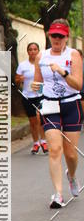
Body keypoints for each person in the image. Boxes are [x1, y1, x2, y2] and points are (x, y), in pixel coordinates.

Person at [32, 19, 83, 208]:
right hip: (50, 106)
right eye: (54, 35)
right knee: (54, 149)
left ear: (66, 37)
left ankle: (71, 175)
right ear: (49, 36)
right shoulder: (41, 57)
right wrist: (36, 90)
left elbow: (78, 85)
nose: (57, 39)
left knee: (70, 154)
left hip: (71, 104)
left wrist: (63, 72)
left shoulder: (74, 55)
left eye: (61, 36)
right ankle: (58, 194)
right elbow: (38, 84)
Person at [15, 42, 46, 153]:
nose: (33, 51)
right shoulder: (23, 65)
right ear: (27, 52)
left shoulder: (42, 64)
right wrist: (20, 79)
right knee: (32, 121)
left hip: (40, 95)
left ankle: (43, 141)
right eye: (30, 49)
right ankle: (36, 143)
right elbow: (16, 80)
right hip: (27, 96)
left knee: (40, 118)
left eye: (35, 49)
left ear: (38, 51)